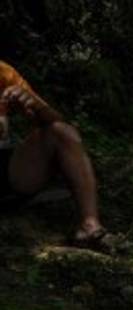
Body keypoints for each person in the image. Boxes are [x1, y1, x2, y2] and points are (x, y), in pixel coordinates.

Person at [0, 62, 108, 246]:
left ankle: (90, 226)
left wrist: (34, 105)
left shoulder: (3, 73)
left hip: (8, 170)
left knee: (61, 132)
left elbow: (55, 122)